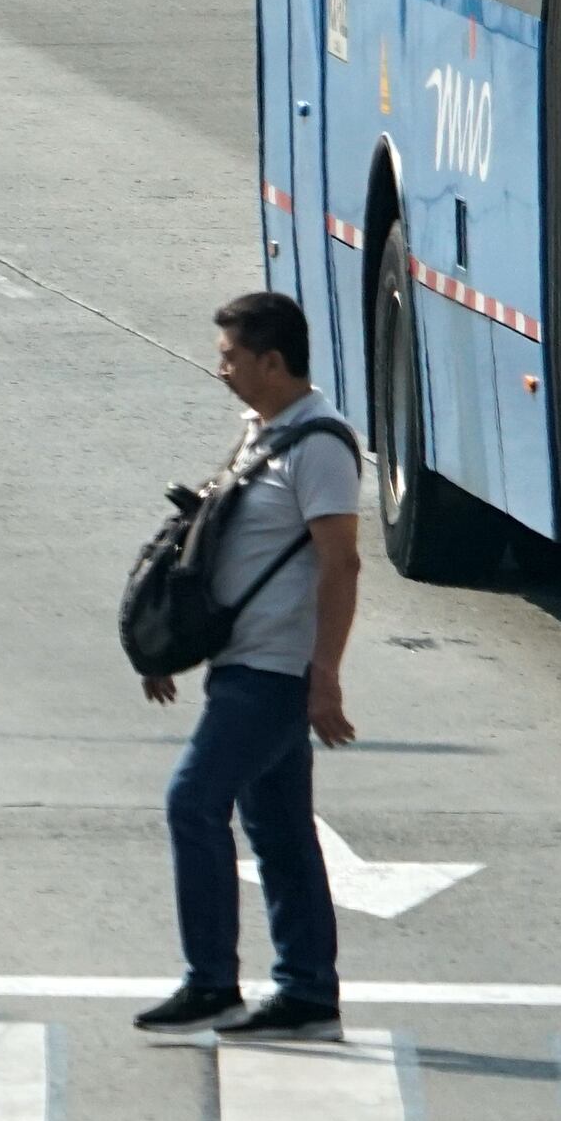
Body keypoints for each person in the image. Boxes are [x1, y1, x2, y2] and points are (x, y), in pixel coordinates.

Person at [137, 290, 367, 1041]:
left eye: (232, 356)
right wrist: (171, 644)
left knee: (191, 802)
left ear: (274, 360)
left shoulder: (320, 446)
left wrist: (324, 674)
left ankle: (212, 982)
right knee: (280, 831)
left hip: (275, 672)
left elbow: (341, 564)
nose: (221, 369)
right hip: (243, 662)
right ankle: (307, 990)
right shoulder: (259, 432)